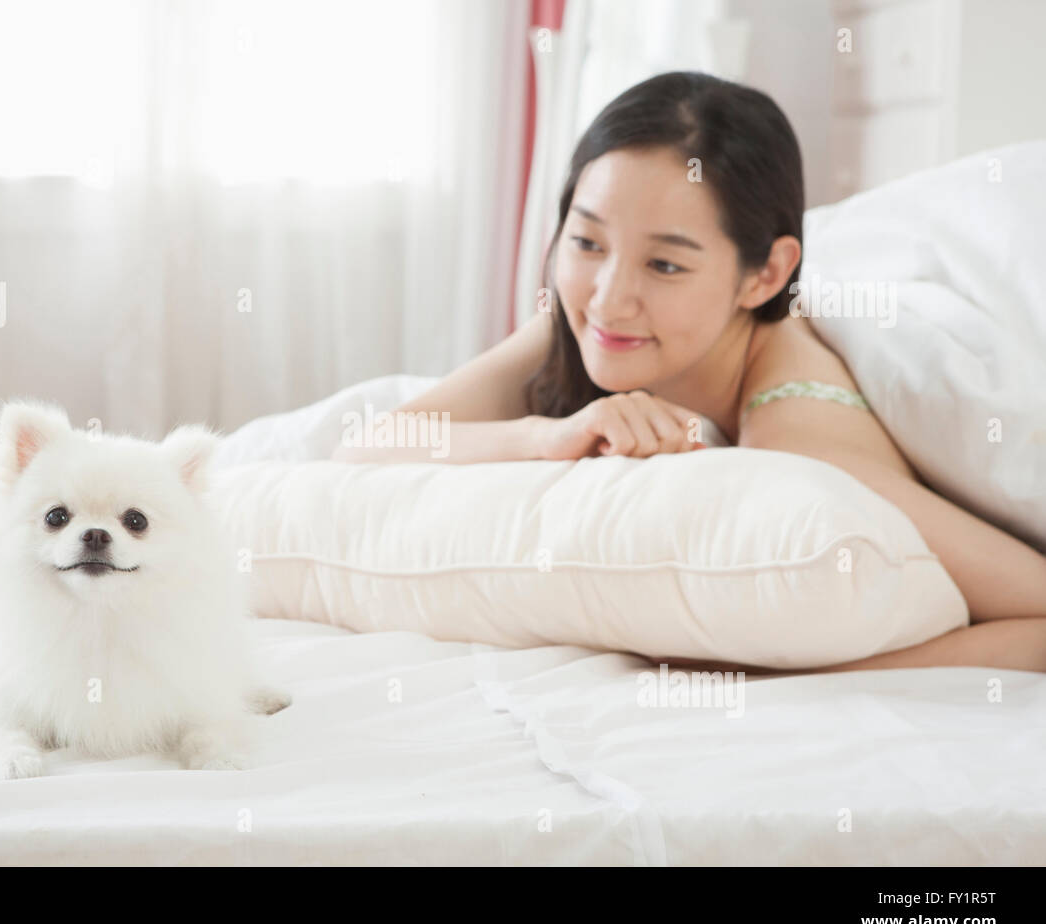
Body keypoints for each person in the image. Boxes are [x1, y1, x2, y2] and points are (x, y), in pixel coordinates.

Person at [333, 71, 1046, 674]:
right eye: (586, 241)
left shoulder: (804, 442)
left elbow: (1038, 607)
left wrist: (784, 680)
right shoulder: (585, 321)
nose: (608, 297)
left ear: (765, 274)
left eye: (665, 263)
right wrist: (544, 438)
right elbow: (367, 448)